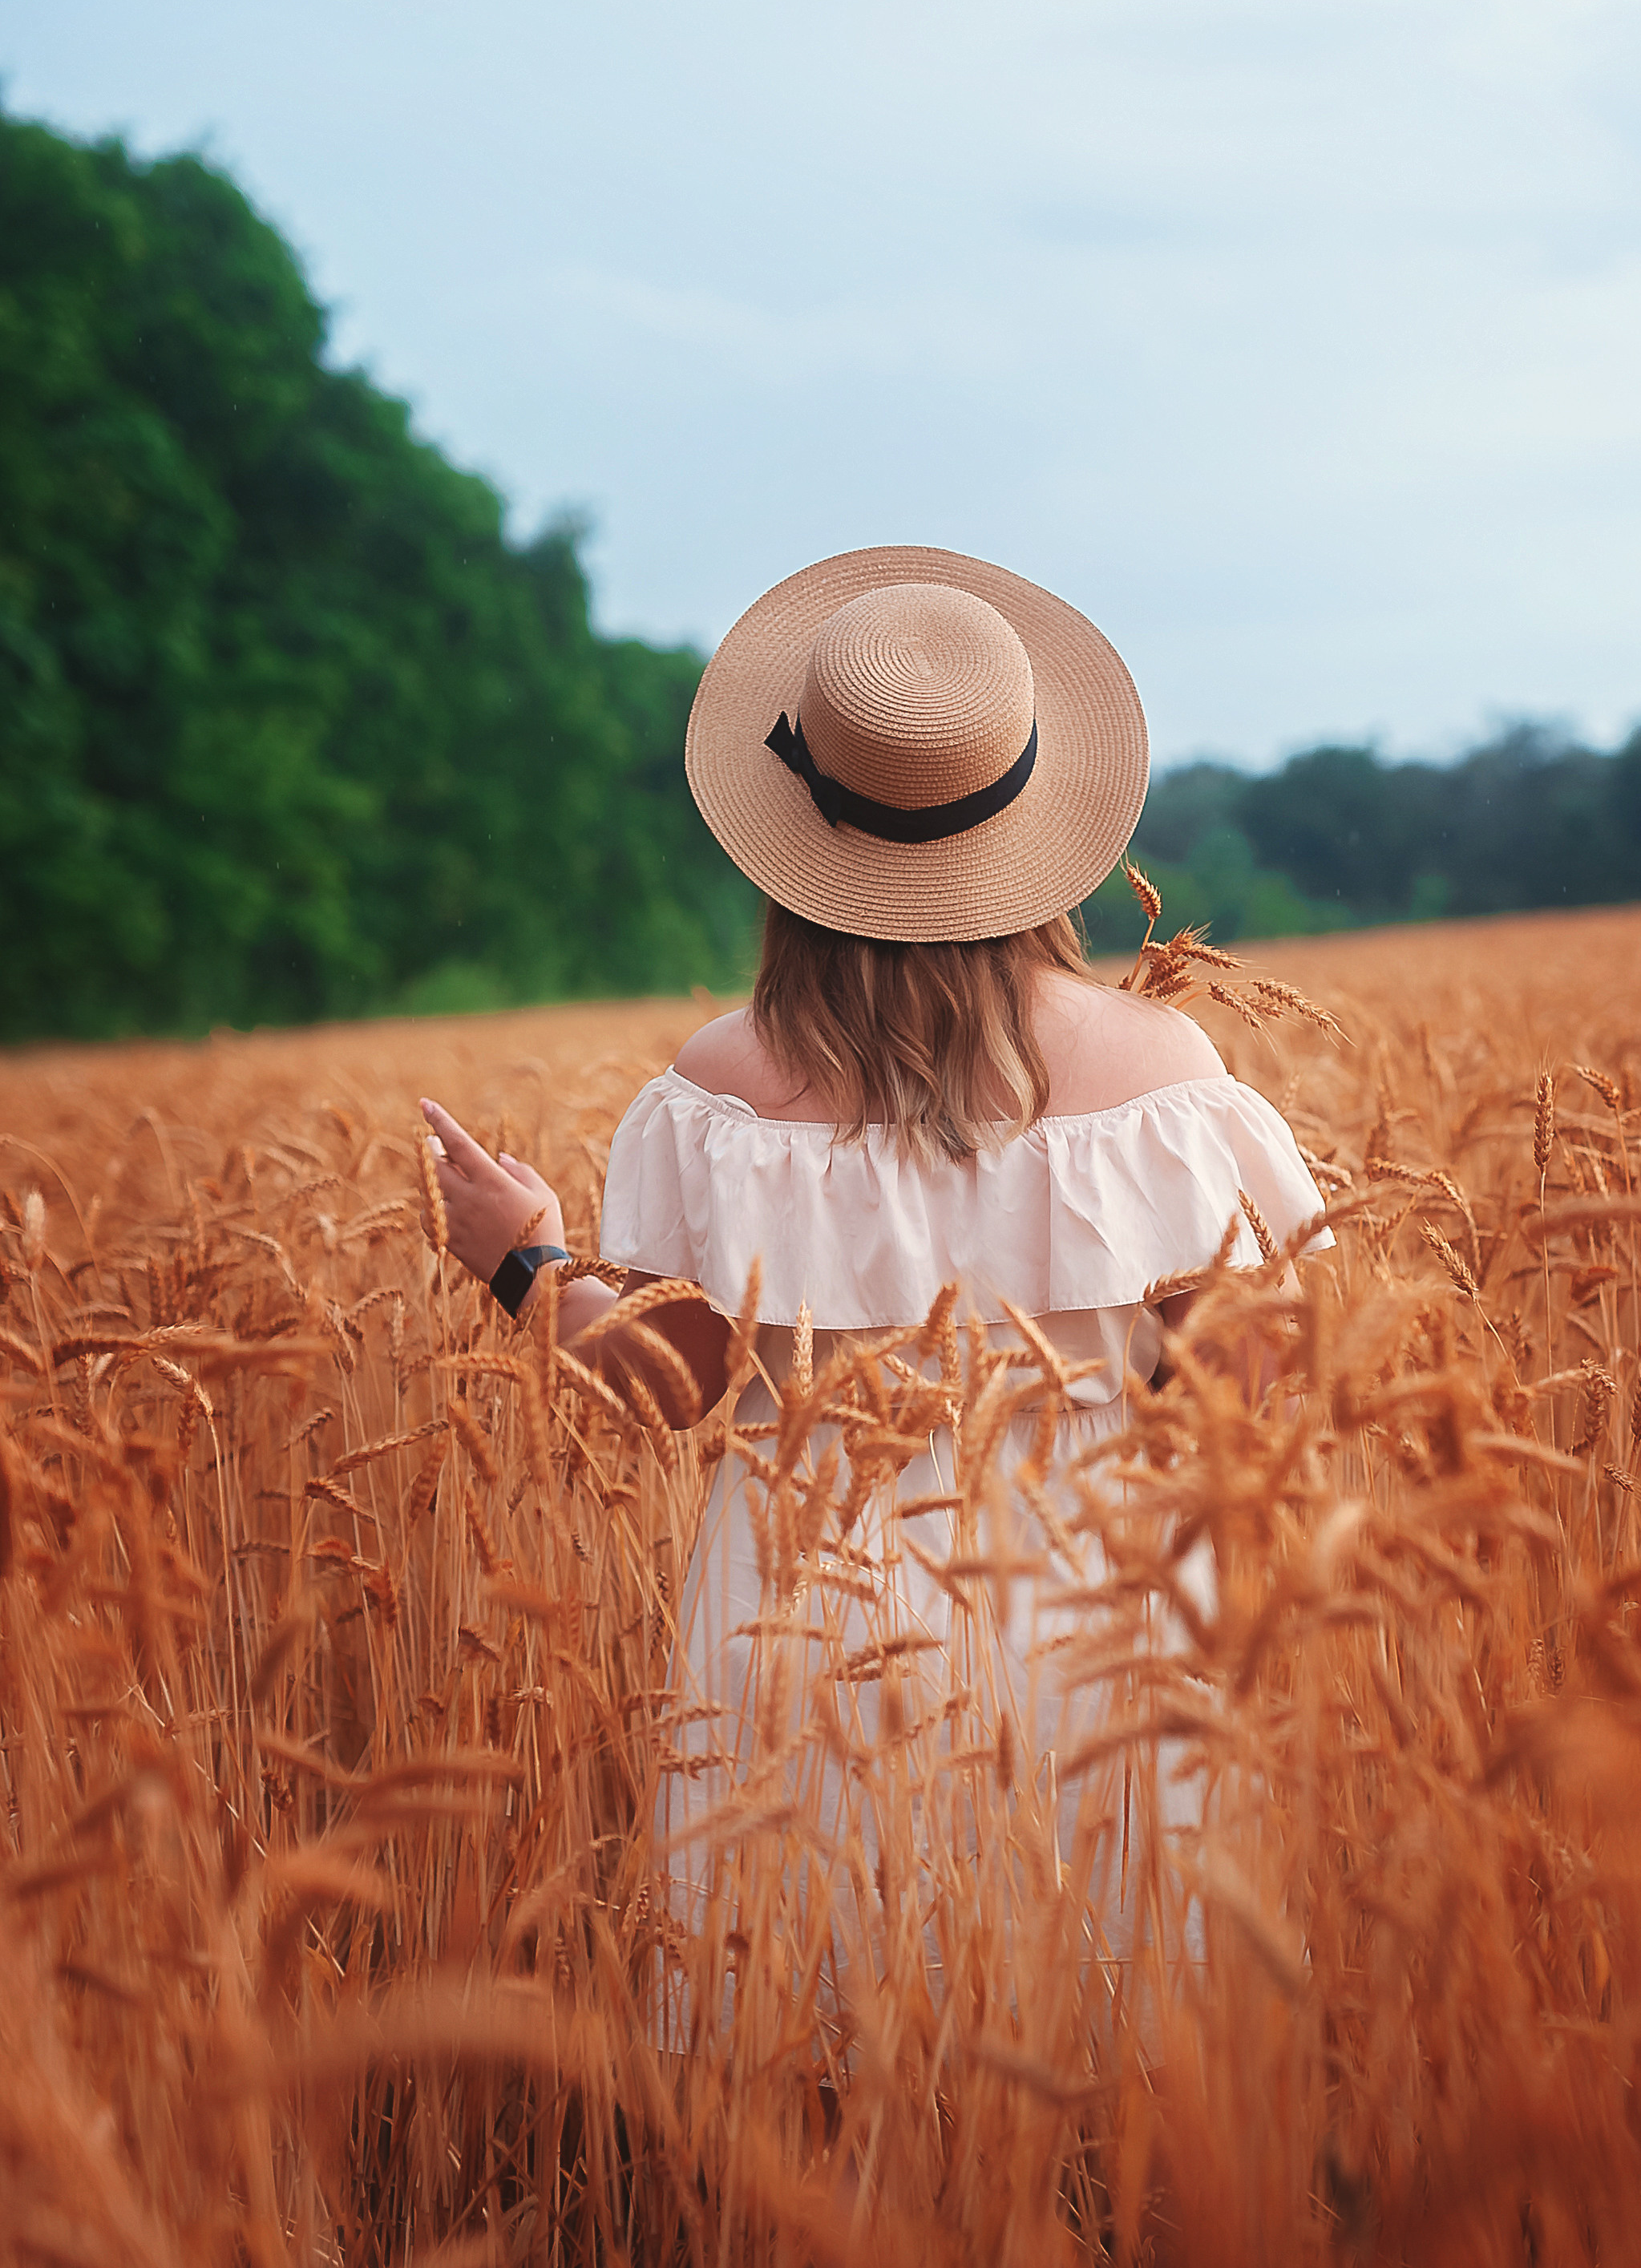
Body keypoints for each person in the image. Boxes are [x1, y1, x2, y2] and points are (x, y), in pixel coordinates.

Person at [419, 547, 1330, 2047]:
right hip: (1103, 1621)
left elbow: (660, 1386)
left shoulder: (726, 1084)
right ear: (1038, 825)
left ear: (796, 838)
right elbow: (1259, 1382)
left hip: (801, 1627)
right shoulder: (1166, 1082)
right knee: (1107, 2060)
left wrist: (518, 1257)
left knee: (816, 2072)